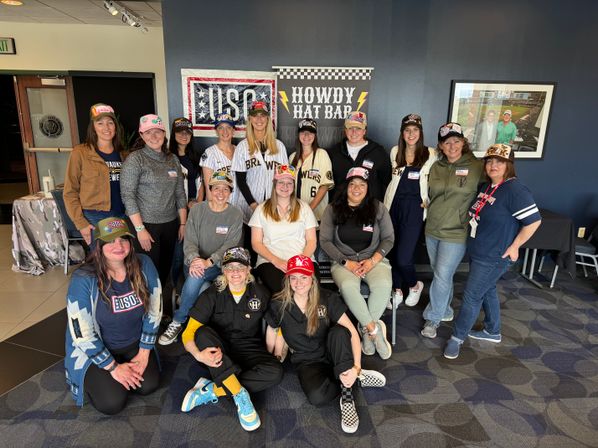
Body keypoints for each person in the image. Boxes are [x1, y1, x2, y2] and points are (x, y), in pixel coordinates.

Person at [265, 255, 386, 434]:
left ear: (312, 278)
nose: (298, 283)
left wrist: (357, 364)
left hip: (333, 350)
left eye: (303, 277)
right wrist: (272, 358)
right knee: (317, 398)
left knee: (338, 331)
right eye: (294, 277)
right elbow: (272, 330)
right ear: (288, 279)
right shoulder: (278, 303)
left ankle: (347, 395)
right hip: (306, 359)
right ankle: (353, 377)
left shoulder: (326, 297)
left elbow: (351, 332)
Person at [444, 144, 541, 359]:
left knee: (471, 296)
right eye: (489, 161)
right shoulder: (487, 187)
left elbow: (534, 221)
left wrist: (515, 245)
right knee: (486, 290)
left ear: (509, 165)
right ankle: (492, 330)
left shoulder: (515, 189)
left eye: (499, 161)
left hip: (494, 256)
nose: (493, 165)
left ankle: (457, 339)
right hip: (480, 251)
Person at [64, 217, 162, 414]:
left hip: (133, 342)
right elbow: (81, 333)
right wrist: (114, 368)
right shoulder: (83, 279)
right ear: (99, 246)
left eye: (123, 239)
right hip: (98, 348)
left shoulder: (144, 264)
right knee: (112, 403)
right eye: (110, 240)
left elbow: (156, 308)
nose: (118, 245)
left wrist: (144, 352)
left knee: (149, 385)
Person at [179, 246, 283, 432]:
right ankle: (240, 395)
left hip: (249, 347)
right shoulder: (212, 293)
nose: (235, 272)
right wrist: (198, 355)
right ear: (223, 271)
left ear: (248, 270)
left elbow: (276, 325)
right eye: (230, 267)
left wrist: (274, 352)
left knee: (275, 372)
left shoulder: (260, 293)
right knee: (201, 333)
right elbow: (189, 332)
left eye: (240, 267)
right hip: (219, 349)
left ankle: (212, 389)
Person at [159, 171, 243, 345]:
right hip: (194, 263)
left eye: (225, 189)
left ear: (230, 192)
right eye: (216, 188)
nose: (220, 193)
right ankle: (180, 322)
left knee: (200, 283)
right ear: (210, 190)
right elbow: (190, 241)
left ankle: (180, 319)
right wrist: (196, 260)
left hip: (220, 265)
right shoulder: (198, 209)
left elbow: (229, 246)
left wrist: (209, 261)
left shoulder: (235, 214)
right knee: (199, 277)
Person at [320, 167, 394, 360]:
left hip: (374, 260)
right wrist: (346, 262)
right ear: (346, 187)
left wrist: (373, 260)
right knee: (347, 286)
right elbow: (325, 241)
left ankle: (366, 330)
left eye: (362, 184)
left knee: (383, 285)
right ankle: (373, 329)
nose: (357, 188)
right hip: (343, 262)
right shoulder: (333, 209)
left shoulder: (378, 207)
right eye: (352, 184)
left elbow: (388, 238)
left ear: (368, 188)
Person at [120, 114, 187, 318]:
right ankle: (143, 314)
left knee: (164, 273)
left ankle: (159, 312)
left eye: (157, 131)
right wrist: (140, 229)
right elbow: (128, 195)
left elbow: (180, 194)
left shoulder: (172, 159)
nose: (154, 136)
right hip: (145, 226)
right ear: (142, 134)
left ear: (164, 134)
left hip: (170, 225)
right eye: (149, 132)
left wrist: (182, 223)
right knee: (145, 273)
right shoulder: (136, 159)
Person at [421, 122, 484, 339]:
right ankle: (445, 309)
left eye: (456, 141)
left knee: (442, 274)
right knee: (440, 274)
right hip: (432, 228)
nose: (452, 146)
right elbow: (427, 193)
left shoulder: (477, 167)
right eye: (447, 142)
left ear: (463, 142)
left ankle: (433, 318)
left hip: (457, 231)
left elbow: (492, 190)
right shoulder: (436, 167)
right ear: (440, 146)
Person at [383, 114, 438, 309]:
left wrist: (430, 202)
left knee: (404, 257)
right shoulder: (395, 151)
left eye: (415, 130)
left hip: (415, 208)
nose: (411, 134)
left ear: (420, 132)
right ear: (402, 133)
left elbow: (437, 181)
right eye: (407, 130)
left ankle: (414, 285)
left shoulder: (430, 153)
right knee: (393, 251)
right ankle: (396, 290)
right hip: (394, 207)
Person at [249, 164, 319, 294]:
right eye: (281, 182)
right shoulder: (261, 209)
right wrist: (277, 261)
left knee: (307, 292)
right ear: (274, 184)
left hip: (302, 259)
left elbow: (311, 241)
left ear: (294, 186)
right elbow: (256, 243)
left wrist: (300, 263)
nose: (285, 187)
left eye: (289, 183)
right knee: (283, 292)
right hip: (271, 262)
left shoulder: (304, 208)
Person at [64, 103, 126, 245]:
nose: (106, 128)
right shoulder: (80, 152)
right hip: (95, 215)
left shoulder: (123, 154)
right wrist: (81, 223)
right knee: (103, 259)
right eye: (100, 123)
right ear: (93, 127)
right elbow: (70, 192)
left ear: (115, 126)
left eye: (110, 123)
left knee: (120, 255)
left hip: (121, 213)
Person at [231, 101, 289, 224]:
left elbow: (284, 179)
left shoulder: (279, 146)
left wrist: (279, 204)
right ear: (250, 119)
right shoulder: (242, 147)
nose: (259, 119)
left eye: (262, 115)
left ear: (268, 119)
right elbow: (240, 181)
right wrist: (253, 206)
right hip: (248, 207)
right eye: (255, 115)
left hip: (274, 207)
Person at [168, 117, 204, 293]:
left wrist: (197, 203)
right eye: (180, 132)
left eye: (187, 132)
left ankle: (190, 290)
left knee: (192, 252)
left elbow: (201, 184)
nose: (184, 135)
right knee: (177, 255)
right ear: (173, 134)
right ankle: (177, 289)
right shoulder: (167, 157)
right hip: (174, 213)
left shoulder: (195, 157)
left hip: (193, 213)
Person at [329, 111, 391, 202]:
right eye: (350, 128)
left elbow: (388, 182)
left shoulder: (378, 152)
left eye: (358, 128)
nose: (354, 132)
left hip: (370, 210)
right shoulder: (334, 152)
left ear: (364, 131)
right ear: (345, 130)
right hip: (340, 210)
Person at [289, 118, 334, 221]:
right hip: (294, 214)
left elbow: (325, 185)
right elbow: (288, 185)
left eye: (310, 133)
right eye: (303, 132)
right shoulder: (292, 157)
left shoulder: (322, 154)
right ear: (298, 135)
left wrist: (309, 209)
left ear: (315, 136)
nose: (306, 136)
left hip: (316, 214)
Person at [201, 113, 237, 202]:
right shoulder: (209, 153)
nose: (225, 131)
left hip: (240, 206)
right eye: (221, 128)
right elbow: (209, 188)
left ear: (233, 131)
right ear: (216, 131)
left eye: (228, 127)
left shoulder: (240, 151)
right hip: (219, 205)